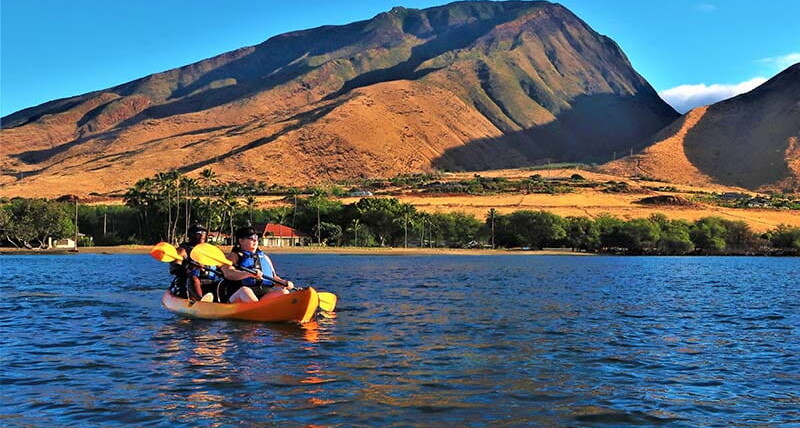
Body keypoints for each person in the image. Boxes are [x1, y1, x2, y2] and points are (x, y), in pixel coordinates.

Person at [219, 226, 293, 303]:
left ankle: (264, 310)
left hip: (263, 295)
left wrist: (284, 282)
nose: (255, 240)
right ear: (241, 241)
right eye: (251, 238)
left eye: (256, 238)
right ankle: (258, 310)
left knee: (284, 293)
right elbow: (228, 274)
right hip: (240, 293)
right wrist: (248, 274)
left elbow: (273, 277)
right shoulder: (233, 256)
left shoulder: (264, 257)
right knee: (245, 291)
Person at [168, 223, 219, 302]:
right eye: (198, 233)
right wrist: (191, 267)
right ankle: (201, 302)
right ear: (190, 235)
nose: (202, 235)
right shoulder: (182, 250)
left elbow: (223, 267)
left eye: (204, 233)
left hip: (209, 282)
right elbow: (175, 268)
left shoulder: (211, 251)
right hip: (187, 283)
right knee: (194, 278)